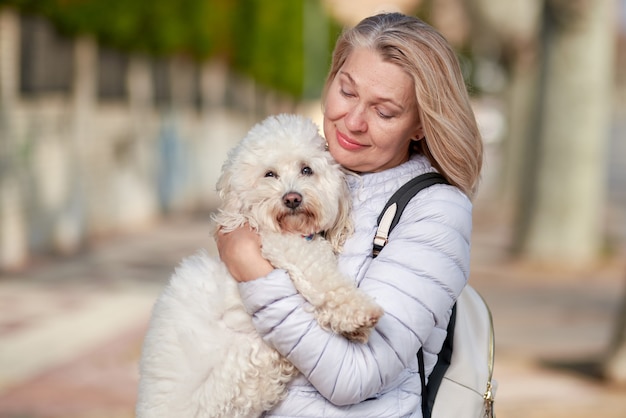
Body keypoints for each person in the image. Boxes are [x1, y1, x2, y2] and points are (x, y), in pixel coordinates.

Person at [216, 12, 483, 417]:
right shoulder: (300, 167)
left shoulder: (437, 212)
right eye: (346, 91)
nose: (353, 122)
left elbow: (354, 376)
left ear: (419, 126)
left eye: (385, 112)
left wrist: (252, 268)